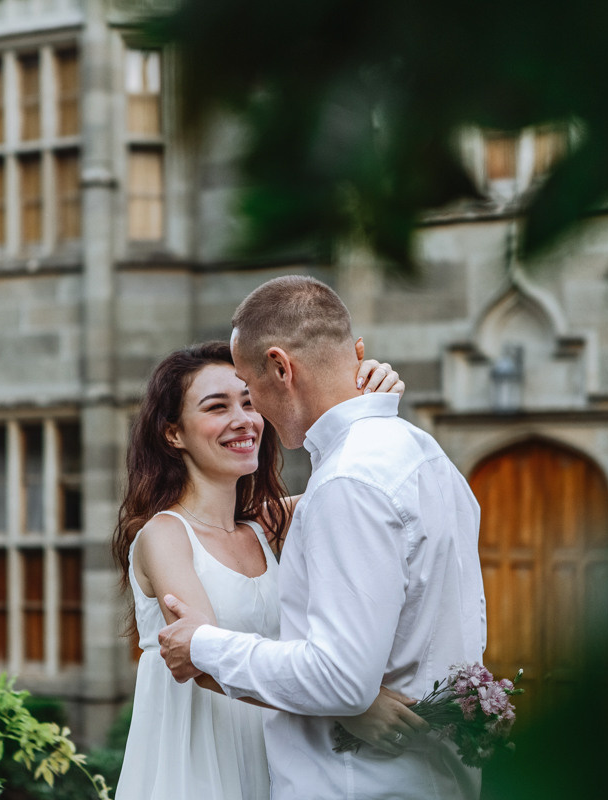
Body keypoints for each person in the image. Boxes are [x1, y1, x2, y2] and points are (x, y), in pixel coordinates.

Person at [158, 276, 487, 800]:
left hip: (357, 784)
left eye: (251, 389)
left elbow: (340, 680)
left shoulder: (347, 484)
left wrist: (204, 645)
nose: (253, 413)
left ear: (281, 368)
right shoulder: (428, 458)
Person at [113, 339, 419, 800]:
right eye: (217, 407)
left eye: (249, 402)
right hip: (198, 758)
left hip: (277, 747)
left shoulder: (270, 526)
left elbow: (353, 480)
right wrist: (348, 708)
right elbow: (202, 657)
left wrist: (368, 396)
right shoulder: (164, 536)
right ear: (173, 433)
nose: (243, 420)